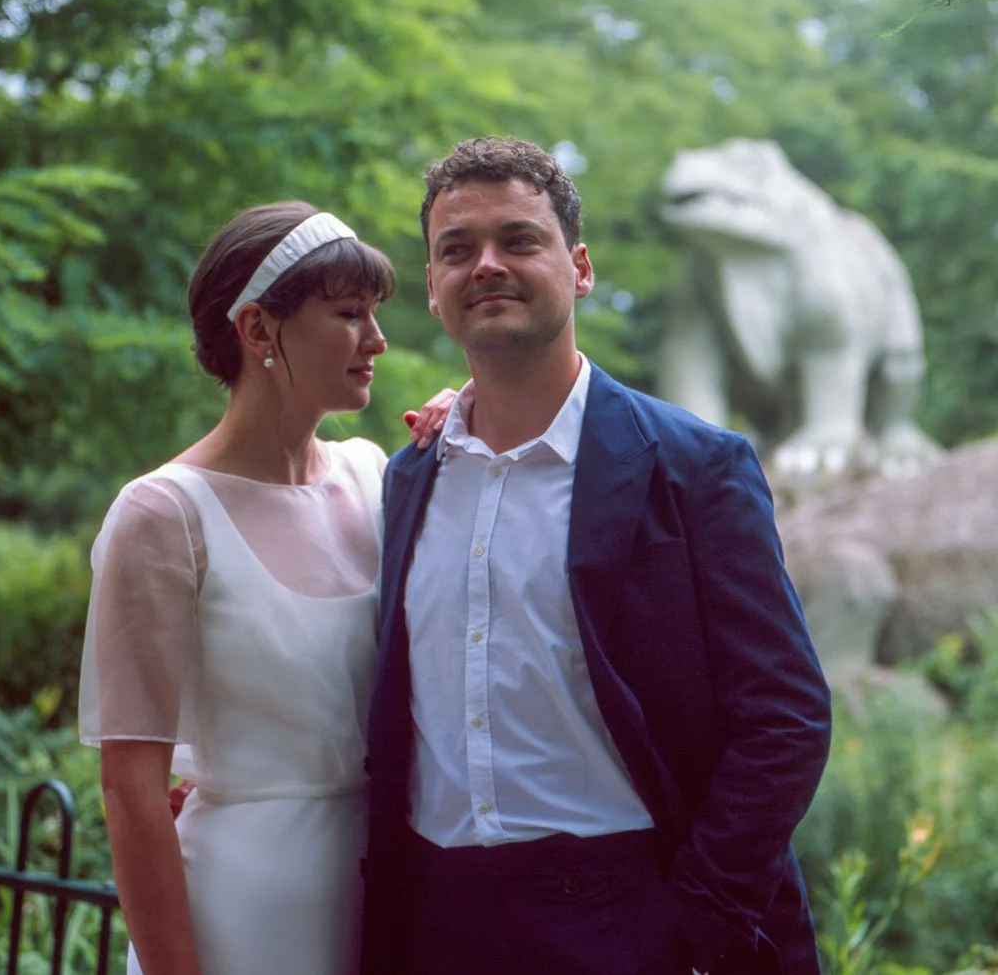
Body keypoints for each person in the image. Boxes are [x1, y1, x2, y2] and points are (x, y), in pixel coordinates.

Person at [361, 138, 833, 975]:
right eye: (456, 250)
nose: (487, 266)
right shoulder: (409, 479)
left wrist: (694, 918)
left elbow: (785, 716)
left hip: (627, 913)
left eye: (519, 240)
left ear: (578, 267)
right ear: (433, 290)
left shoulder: (694, 467)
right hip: (437, 918)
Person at [79, 201, 452, 975]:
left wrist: (472, 425)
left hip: (387, 895)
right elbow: (132, 788)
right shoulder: (165, 515)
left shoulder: (374, 474)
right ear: (257, 330)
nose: (377, 340)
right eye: (349, 314)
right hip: (243, 913)